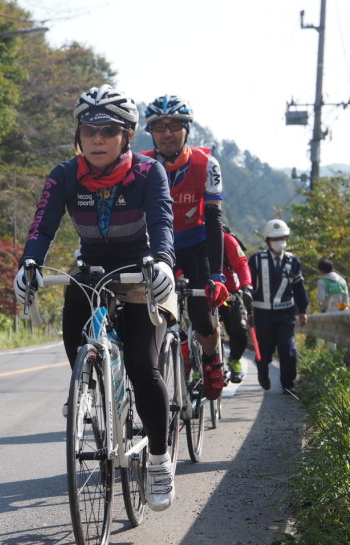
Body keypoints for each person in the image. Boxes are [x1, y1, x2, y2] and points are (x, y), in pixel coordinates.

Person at [13, 84, 178, 511]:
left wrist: (162, 261)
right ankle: (90, 384)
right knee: (77, 337)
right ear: (78, 136)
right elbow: (42, 228)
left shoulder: (147, 172)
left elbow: (161, 219)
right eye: (89, 130)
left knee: (144, 367)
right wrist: (28, 265)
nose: (97, 139)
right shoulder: (64, 175)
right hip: (91, 268)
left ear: (127, 135)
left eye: (108, 130)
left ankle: (159, 462)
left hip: (142, 268)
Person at [140, 94, 228, 401]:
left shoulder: (207, 163)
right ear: (150, 132)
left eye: (174, 126)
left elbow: (215, 219)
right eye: (159, 127)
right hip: (156, 247)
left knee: (202, 313)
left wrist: (216, 275)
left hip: (196, 245)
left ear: (187, 129)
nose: (167, 133)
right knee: (144, 313)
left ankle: (210, 358)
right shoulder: (141, 165)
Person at [248, 219, 309, 394]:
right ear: (267, 240)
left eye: (282, 237)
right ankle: (262, 371)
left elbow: (299, 287)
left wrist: (303, 310)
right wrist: (248, 310)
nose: (279, 241)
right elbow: (249, 285)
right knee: (264, 350)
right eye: (275, 238)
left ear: (287, 238)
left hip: (286, 314)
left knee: (287, 348)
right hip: (262, 313)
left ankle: (288, 385)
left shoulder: (293, 261)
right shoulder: (257, 260)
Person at [220, 225, 253, 383]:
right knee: (198, 332)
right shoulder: (190, 236)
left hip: (229, 295)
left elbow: (241, 264)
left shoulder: (226, 239)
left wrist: (246, 286)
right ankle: (194, 366)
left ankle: (234, 360)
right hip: (201, 294)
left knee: (239, 332)